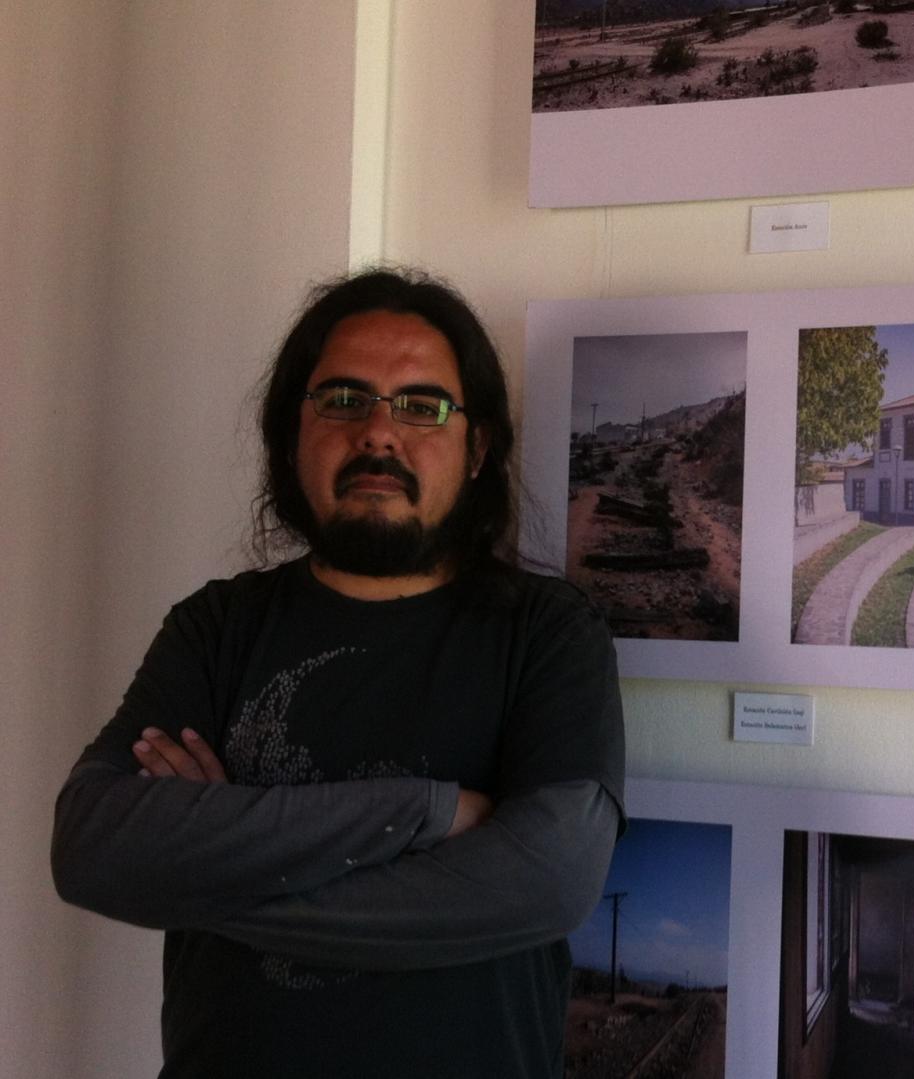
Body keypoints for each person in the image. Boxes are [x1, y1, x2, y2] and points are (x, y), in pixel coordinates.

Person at [50, 268, 626, 1078]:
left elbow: (549, 879)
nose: (379, 434)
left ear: (477, 448)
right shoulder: (216, 627)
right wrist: (426, 814)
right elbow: (92, 847)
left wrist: (212, 863)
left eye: (422, 406)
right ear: (294, 436)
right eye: (344, 400)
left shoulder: (549, 631)